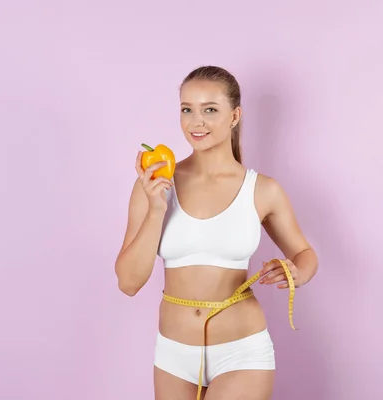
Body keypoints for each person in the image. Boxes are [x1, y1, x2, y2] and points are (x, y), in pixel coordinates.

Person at [114, 65, 319, 400]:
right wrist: (156, 209)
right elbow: (128, 283)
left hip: (242, 352)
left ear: (234, 116)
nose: (197, 122)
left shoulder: (262, 190)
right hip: (172, 355)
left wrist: (297, 272)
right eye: (187, 110)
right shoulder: (154, 186)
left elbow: (306, 255)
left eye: (210, 110)